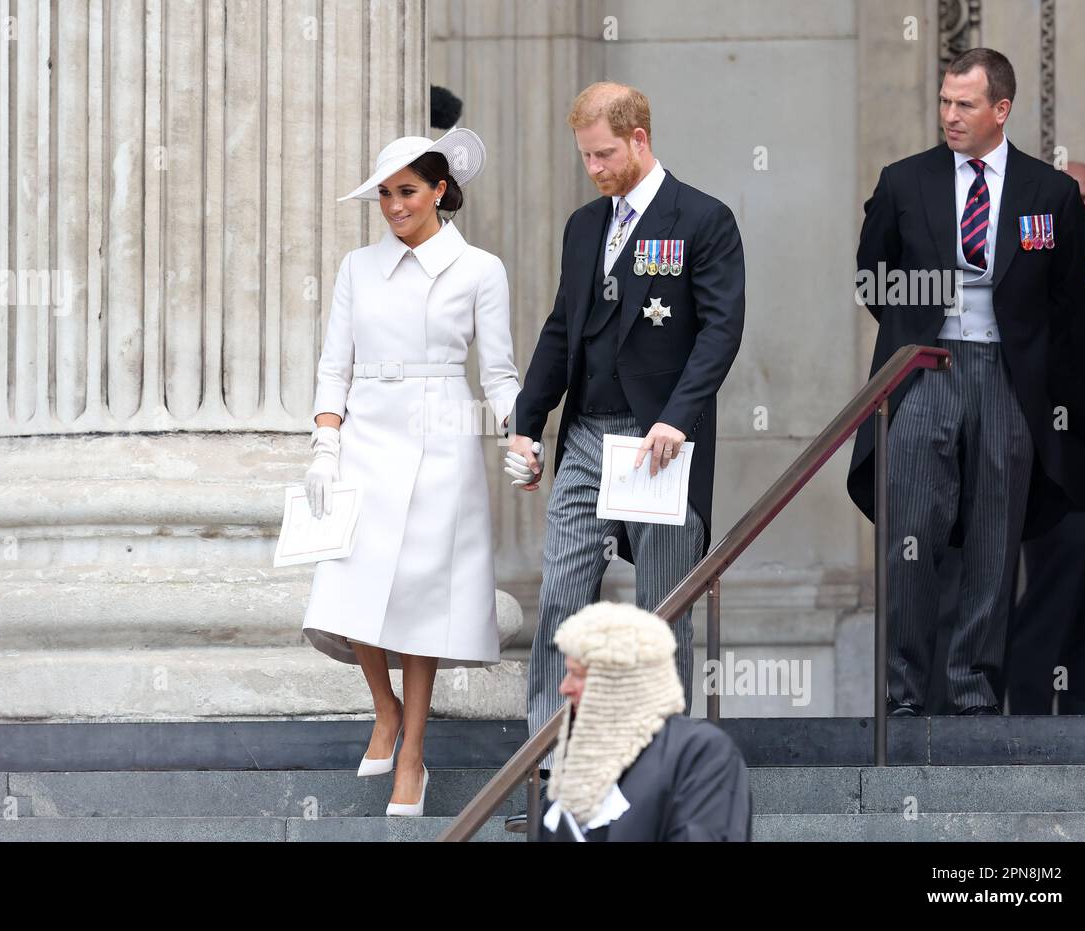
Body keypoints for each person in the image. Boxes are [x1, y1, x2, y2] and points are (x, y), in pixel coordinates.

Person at [504, 81, 745, 822]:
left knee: (660, 605)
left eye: (604, 153)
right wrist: (526, 419)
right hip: (586, 431)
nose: (595, 168)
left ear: (640, 137)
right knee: (561, 593)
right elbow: (558, 328)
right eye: (585, 156)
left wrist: (678, 418)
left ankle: (656, 755)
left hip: (658, 441)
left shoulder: (704, 219)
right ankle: (552, 750)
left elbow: (720, 328)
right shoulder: (584, 226)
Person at [846, 48, 1085, 717]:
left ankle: (974, 694)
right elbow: (873, 275)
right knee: (911, 533)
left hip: (1007, 377)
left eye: (965, 104)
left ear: (1000, 109)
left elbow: (1066, 302)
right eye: (944, 102)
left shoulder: (1052, 193)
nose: (949, 116)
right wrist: (917, 326)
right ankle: (902, 692)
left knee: (993, 538)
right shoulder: (904, 180)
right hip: (926, 368)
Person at [302, 127, 522, 816]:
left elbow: (500, 373)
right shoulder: (355, 268)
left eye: (407, 191)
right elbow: (333, 363)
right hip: (365, 428)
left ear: (439, 190)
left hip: (443, 437)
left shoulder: (481, 269)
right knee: (352, 578)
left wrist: (522, 435)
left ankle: (415, 755)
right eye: (385, 195)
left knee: (422, 596)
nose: (395, 206)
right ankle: (384, 707)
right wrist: (324, 443)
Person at [1005, 160, 1085, 715]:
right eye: (1079, 199)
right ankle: (1021, 741)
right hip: (1062, 487)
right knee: (1050, 616)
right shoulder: (1039, 289)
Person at [538, 602, 751, 842]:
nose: (564, 687)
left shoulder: (700, 752)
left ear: (622, 680)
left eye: (577, 675)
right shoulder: (577, 762)